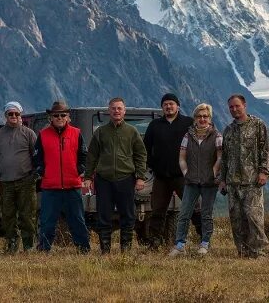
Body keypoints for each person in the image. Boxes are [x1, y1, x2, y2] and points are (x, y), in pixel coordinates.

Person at [83, 97, 147, 254]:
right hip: (103, 180)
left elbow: (141, 154)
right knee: (103, 215)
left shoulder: (132, 132)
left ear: (124, 111)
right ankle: (105, 250)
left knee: (128, 215)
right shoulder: (101, 132)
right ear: (108, 111)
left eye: (119, 108)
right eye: (113, 108)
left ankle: (125, 250)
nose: (116, 111)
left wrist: (140, 176)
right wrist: (87, 177)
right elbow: (92, 156)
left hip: (126, 178)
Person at [219, 94, 269, 258]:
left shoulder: (258, 125)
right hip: (233, 182)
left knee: (253, 217)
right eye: (231, 107)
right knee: (236, 219)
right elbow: (225, 157)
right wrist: (222, 180)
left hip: (252, 181)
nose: (234, 109)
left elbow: (267, 149)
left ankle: (258, 251)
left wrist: (264, 171)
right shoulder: (228, 130)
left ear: (244, 105)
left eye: (237, 106)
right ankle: (242, 252)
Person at [143, 93, 200, 248]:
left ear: (178, 106)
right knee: (157, 211)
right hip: (161, 177)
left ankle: (204, 238)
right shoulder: (155, 125)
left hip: (183, 176)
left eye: (171, 104)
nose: (168, 107)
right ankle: (155, 242)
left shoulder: (188, 123)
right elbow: (145, 148)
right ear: (162, 107)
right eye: (165, 104)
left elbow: (198, 145)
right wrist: (153, 165)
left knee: (194, 208)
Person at [33, 101, 90, 253]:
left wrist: (79, 169)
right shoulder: (43, 135)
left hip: (73, 185)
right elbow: (37, 158)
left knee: (77, 220)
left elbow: (84, 155)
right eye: (56, 115)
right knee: (47, 221)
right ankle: (44, 249)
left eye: (63, 115)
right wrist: (42, 171)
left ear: (68, 117)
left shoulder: (76, 133)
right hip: (50, 187)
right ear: (50, 117)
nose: (59, 117)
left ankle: (83, 249)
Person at [169, 103, 222, 257]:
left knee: (206, 214)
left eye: (205, 116)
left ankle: (205, 243)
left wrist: (213, 173)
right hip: (191, 181)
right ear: (195, 118)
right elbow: (182, 158)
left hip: (209, 183)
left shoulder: (217, 136)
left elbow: (220, 158)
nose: (202, 119)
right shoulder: (188, 135)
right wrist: (186, 174)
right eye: (199, 116)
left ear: (210, 118)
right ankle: (180, 245)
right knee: (184, 213)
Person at [0, 101, 38, 253]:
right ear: (6, 115)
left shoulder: (29, 133)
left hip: (25, 181)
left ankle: (29, 245)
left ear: (20, 114)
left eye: (16, 113)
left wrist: (34, 176)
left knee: (27, 215)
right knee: (8, 215)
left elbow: (36, 157)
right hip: (5, 182)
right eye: (10, 114)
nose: (14, 116)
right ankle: (12, 245)